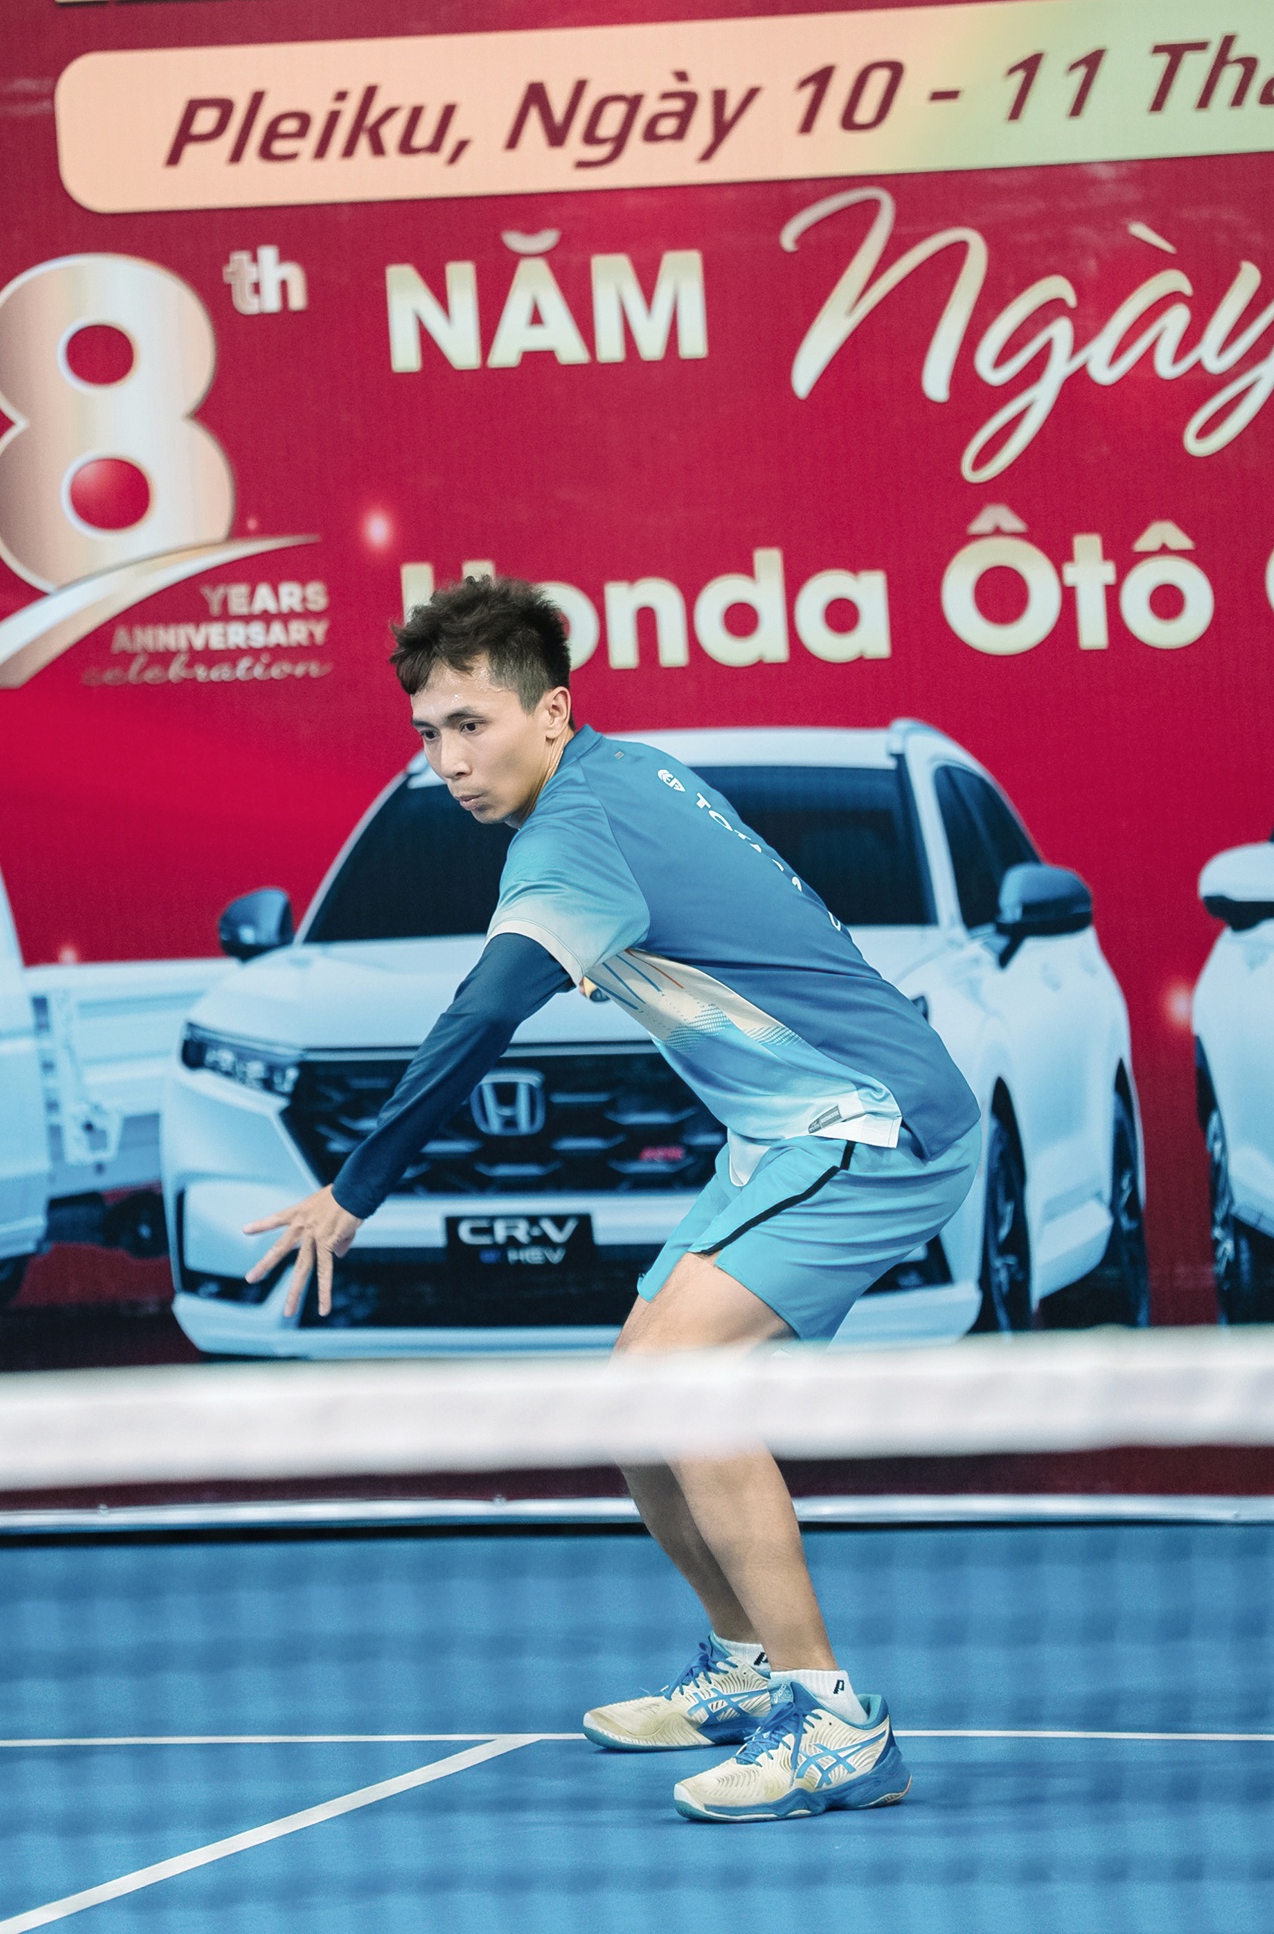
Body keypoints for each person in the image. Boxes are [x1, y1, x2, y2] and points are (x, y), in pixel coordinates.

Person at [246, 576, 981, 1825]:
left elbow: (481, 1018)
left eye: (471, 726)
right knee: (636, 1394)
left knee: (681, 1384)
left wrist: (353, 1189)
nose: (447, 762)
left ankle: (834, 1723)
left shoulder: (572, 835)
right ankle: (746, 1671)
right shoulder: (624, 776)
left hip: (871, 1120)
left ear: (552, 712)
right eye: (427, 733)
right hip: (784, 1129)